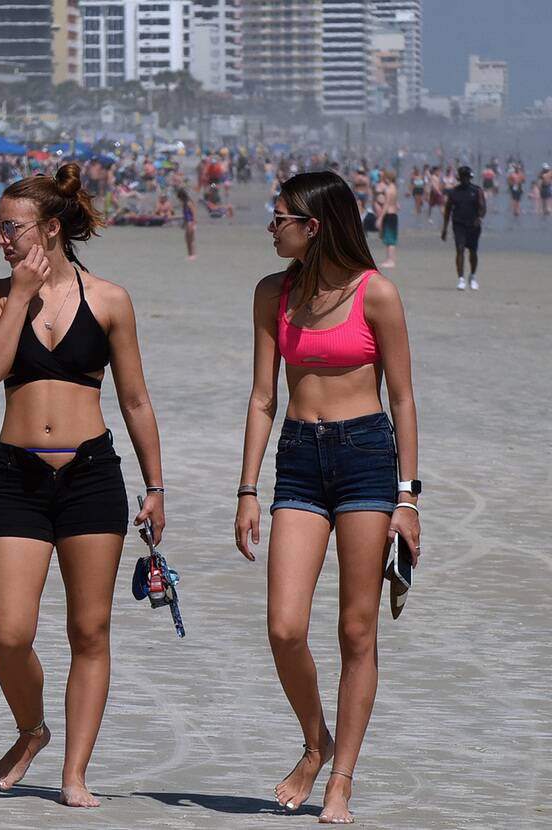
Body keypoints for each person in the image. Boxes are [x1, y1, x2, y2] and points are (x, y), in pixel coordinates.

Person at [0, 163, 166, 808]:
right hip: (17, 477)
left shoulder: (109, 300)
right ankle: (32, 728)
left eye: (12, 227)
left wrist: (155, 485)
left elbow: (135, 401)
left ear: (51, 229)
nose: (1, 236)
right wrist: (22, 294)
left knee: (90, 631)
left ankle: (75, 774)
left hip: (91, 476)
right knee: (10, 633)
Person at [235, 171, 420, 825]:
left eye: (279, 215)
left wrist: (409, 500)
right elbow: (264, 398)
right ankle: (315, 741)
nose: (270, 224)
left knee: (355, 629)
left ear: (313, 226)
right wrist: (248, 487)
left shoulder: (378, 296)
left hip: (368, 459)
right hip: (299, 462)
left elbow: (402, 400)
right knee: (284, 626)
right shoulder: (273, 293)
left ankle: (340, 777)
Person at [441, 166, 487, 291]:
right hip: (458, 224)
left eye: (467, 177)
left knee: (473, 252)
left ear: (470, 177)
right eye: (463, 177)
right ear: (460, 178)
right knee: (460, 249)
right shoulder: (454, 192)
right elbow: (447, 211)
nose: (465, 179)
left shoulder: (477, 190)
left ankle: (472, 276)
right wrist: (444, 229)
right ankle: (461, 279)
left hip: (473, 225)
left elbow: (483, 207)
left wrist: (480, 218)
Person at [378, 171, 399, 268]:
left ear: (388, 178)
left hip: (389, 215)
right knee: (389, 238)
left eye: (385, 177)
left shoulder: (388, 189)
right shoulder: (394, 188)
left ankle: (391, 261)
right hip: (394, 215)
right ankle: (388, 259)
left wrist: (380, 218)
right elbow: (396, 203)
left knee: (390, 239)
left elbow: (386, 205)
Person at [176, 187, 197, 260]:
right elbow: (185, 216)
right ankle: (190, 254)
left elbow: (194, 213)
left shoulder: (189, 203)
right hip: (188, 222)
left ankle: (193, 255)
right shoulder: (185, 203)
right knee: (187, 239)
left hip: (190, 222)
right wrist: (183, 224)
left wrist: (194, 224)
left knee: (190, 239)